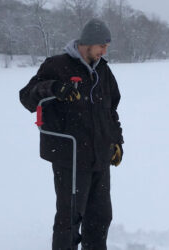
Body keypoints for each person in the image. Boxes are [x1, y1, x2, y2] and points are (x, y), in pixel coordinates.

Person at [19, 18, 124, 250]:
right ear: (86, 44)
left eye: (107, 46)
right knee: (69, 218)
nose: (105, 51)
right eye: (101, 46)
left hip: (99, 156)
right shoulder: (56, 65)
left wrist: (117, 142)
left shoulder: (103, 71)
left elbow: (111, 111)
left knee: (101, 216)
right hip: (70, 156)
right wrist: (55, 88)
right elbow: (27, 96)